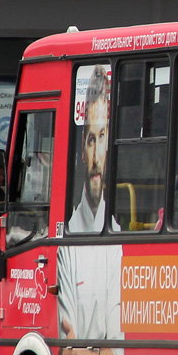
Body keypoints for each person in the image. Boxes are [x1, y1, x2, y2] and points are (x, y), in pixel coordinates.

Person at [68, 65, 119, 233]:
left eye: (102, 137)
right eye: (91, 140)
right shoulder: (69, 228)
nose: (96, 158)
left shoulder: (116, 230)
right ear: (83, 146)